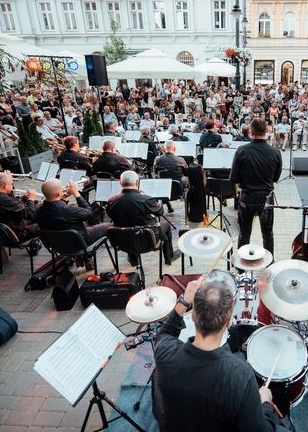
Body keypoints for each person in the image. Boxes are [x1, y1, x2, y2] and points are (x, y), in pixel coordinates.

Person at [152, 279, 283, 431]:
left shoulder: (165, 353)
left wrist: (184, 301)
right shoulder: (241, 376)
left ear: (193, 315)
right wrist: (265, 404)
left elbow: (165, 332)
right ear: (228, 322)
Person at [229, 118, 282, 254]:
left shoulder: (241, 150)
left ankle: (241, 265)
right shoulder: (276, 152)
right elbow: (275, 178)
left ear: (250, 131)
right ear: (266, 130)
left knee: (244, 233)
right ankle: (269, 264)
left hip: (247, 197)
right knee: (268, 234)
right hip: (266, 199)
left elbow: (233, 178)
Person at [106, 171, 180, 264]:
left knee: (126, 223)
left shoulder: (111, 201)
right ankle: (169, 256)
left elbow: (110, 215)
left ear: (120, 183)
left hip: (123, 242)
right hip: (147, 241)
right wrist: (145, 197)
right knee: (166, 226)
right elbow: (160, 212)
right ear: (137, 182)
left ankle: (133, 260)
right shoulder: (146, 199)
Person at [35, 178, 111, 246]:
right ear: (59, 193)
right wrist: (76, 194)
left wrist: (63, 199)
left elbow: (58, 213)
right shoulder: (68, 210)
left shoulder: (38, 211)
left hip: (57, 244)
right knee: (109, 225)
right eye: (62, 189)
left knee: (84, 223)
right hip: (78, 242)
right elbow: (89, 212)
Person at [0, 172, 39, 240]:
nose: (12, 186)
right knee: (46, 221)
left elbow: (9, 208)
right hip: (14, 234)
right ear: (5, 186)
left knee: (38, 208)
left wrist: (23, 199)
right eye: (11, 184)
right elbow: (30, 214)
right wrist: (31, 199)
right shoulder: (4, 200)